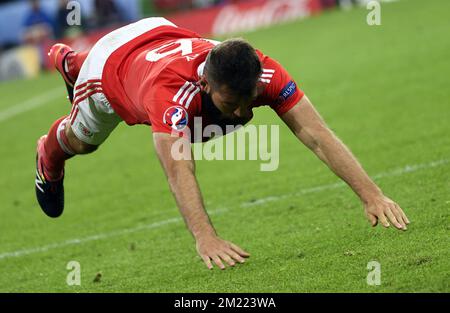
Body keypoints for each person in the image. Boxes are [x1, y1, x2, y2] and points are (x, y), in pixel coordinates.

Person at [36, 17, 409, 270]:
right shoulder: (169, 94)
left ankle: (72, 62)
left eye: (249, 100)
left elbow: (316, 134)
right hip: (110, 70)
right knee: (81, 142)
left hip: (159, 34)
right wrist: (206, 237)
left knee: (214, 122)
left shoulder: (263, 71)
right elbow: (178, 167)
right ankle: (52, 140)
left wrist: (371, 195)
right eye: (232, 103)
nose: (241, 113)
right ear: (205, 85)